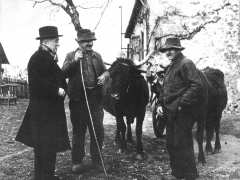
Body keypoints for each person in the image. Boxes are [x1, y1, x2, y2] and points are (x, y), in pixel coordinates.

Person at [15, 26, 71, 180]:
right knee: (43, 146)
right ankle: (42, 177)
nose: (57, 44)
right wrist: (56, 90)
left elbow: (59, 77)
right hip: (42, 113)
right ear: (46, 42)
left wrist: (62, 87)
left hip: (50, 112)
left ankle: (48, 175)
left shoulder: (49, 58)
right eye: (55, 41)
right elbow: (37, 84)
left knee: (49, 145)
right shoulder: (37, 59)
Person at [62, 28, 109, 173]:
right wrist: (75, 60)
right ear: (78, 42)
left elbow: (106, 71)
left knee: (98, 131)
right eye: (85, 41)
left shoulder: (97, 56)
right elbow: (63, 73)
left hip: (95, 99)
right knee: (79, 132)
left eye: (91, 41)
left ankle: (97, 160)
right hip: (78, 100)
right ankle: (77, 161)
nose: (89, 44)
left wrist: (105, 76)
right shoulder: (71, 55)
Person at [160, 37, 203, 180]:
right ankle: (177, 174)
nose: (169, 52)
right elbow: (165, 87)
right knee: (171, 143)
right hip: (170, 111)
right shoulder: (171, 66)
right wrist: (161, 104)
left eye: (172, 49)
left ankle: (190, 175)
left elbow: (196, 85)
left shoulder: (186, 63)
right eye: (167, 50)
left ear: (178, 49)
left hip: (182, 112)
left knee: (182, 143)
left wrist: (181, 104)